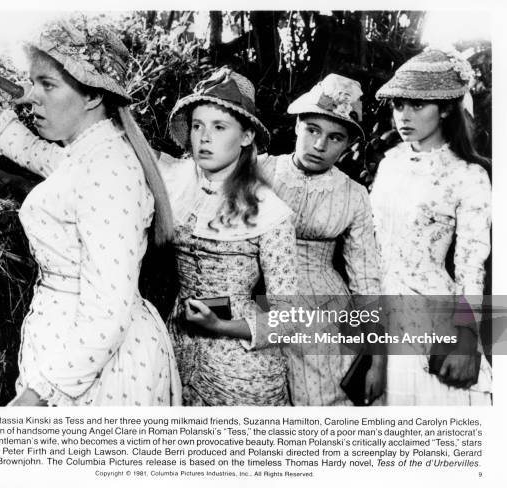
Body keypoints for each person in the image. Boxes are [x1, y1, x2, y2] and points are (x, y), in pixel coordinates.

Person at [0, 15, 181, 406]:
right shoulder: (87, 151)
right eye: (34, 81)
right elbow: (18, 143)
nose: (32, 96)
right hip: (75, 354)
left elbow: (109, 309)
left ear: (92, 96)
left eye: (48, 85)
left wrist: (39, 395)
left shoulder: (109, 167)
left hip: (93, 367)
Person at [157, 68, 299, 405]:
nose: (204, 138)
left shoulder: (270, 211)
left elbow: (289, 321)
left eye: (219, 127)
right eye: (197, 126)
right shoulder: (179, 182)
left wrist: (222, 327)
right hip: (177, 348)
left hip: (239, 371)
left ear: (247, 135)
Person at [248, 74, 385, 406]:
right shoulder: (260, 170)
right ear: (297, 126)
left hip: (322, 309)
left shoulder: (353, 194)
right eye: (312, 130)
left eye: (335, 137)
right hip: (256, 297)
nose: (320, 146)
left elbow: (365, 277)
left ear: (348, 143)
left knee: (320, 401)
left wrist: (378, 357)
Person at [371, 48, 492, 405]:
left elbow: (472, 264)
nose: (403, 116)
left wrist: (466, 334)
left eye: (417, 105)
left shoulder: (468, 175)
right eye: (398, 105)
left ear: (446, 108)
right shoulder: (389, 164)